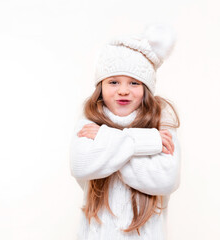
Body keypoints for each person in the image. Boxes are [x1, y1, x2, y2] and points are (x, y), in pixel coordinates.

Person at [69, 23, 181, 240]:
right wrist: (147, 142)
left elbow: (166, 179)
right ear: (100, 86)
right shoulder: (89, 119)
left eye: (133, 82)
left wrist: (106, 144)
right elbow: (82, 165)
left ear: (145, 89)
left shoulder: (161, 122)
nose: (123, 90)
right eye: (113, 82)